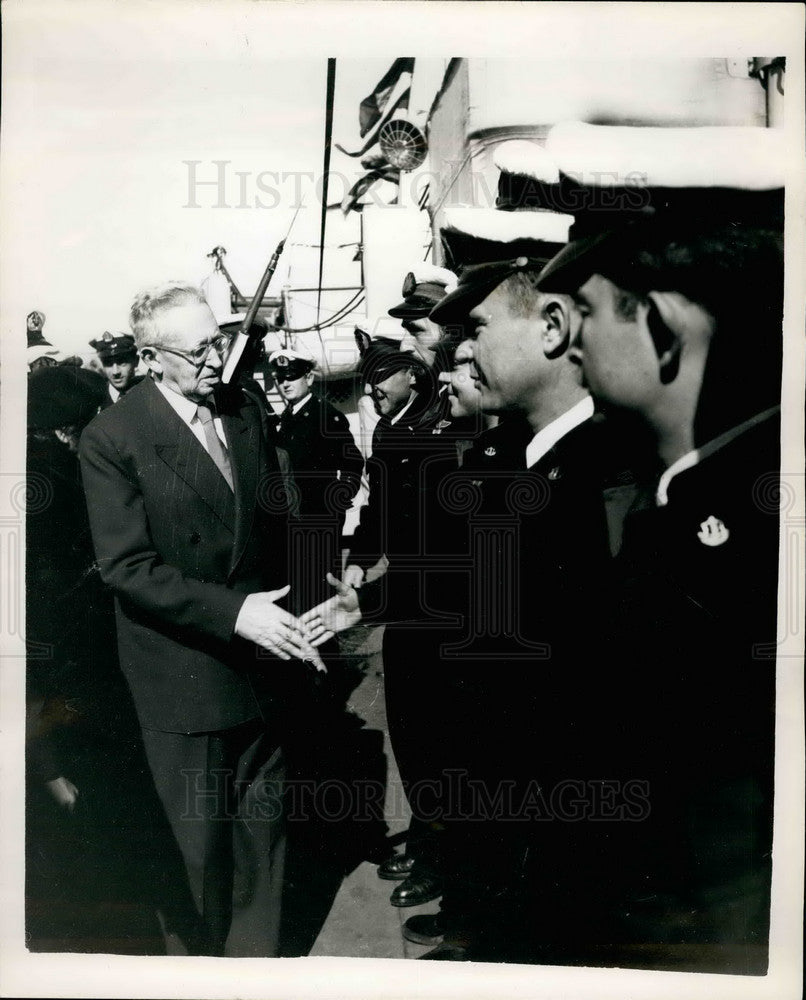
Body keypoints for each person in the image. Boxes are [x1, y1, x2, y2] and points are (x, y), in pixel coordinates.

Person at [536, 121, 785, 974]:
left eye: (593, 312)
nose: (569, 341)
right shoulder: (693, 508)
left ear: (667, 331)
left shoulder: (739, 536)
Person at [79, 281, 322, 957]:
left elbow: (275, 522)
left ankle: (259, 968)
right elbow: (126, 567)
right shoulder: (114, 437)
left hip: (264, 665)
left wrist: (310, 599)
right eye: (197, 350)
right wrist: (237, 613)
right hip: (184, 678)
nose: (215, 358)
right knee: (199, 859)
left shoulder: (243, 410)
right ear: (151, 358)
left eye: (218, 340)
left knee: (264, 843)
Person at [269, 346, 363, 555]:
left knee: (321, 577)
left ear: (309, 378)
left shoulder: (326, 415)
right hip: (294, 512)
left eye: (292, 377)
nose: (285, 383)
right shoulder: (287, 416)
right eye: (281, 378)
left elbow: (352, 461)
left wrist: (340, 495)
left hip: (321, 513)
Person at [89, 331, 143, 406]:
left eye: (122, 362)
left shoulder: (151, 393)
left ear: (136, 361)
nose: (115, 372)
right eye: (108, 363)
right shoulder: (94, 401)